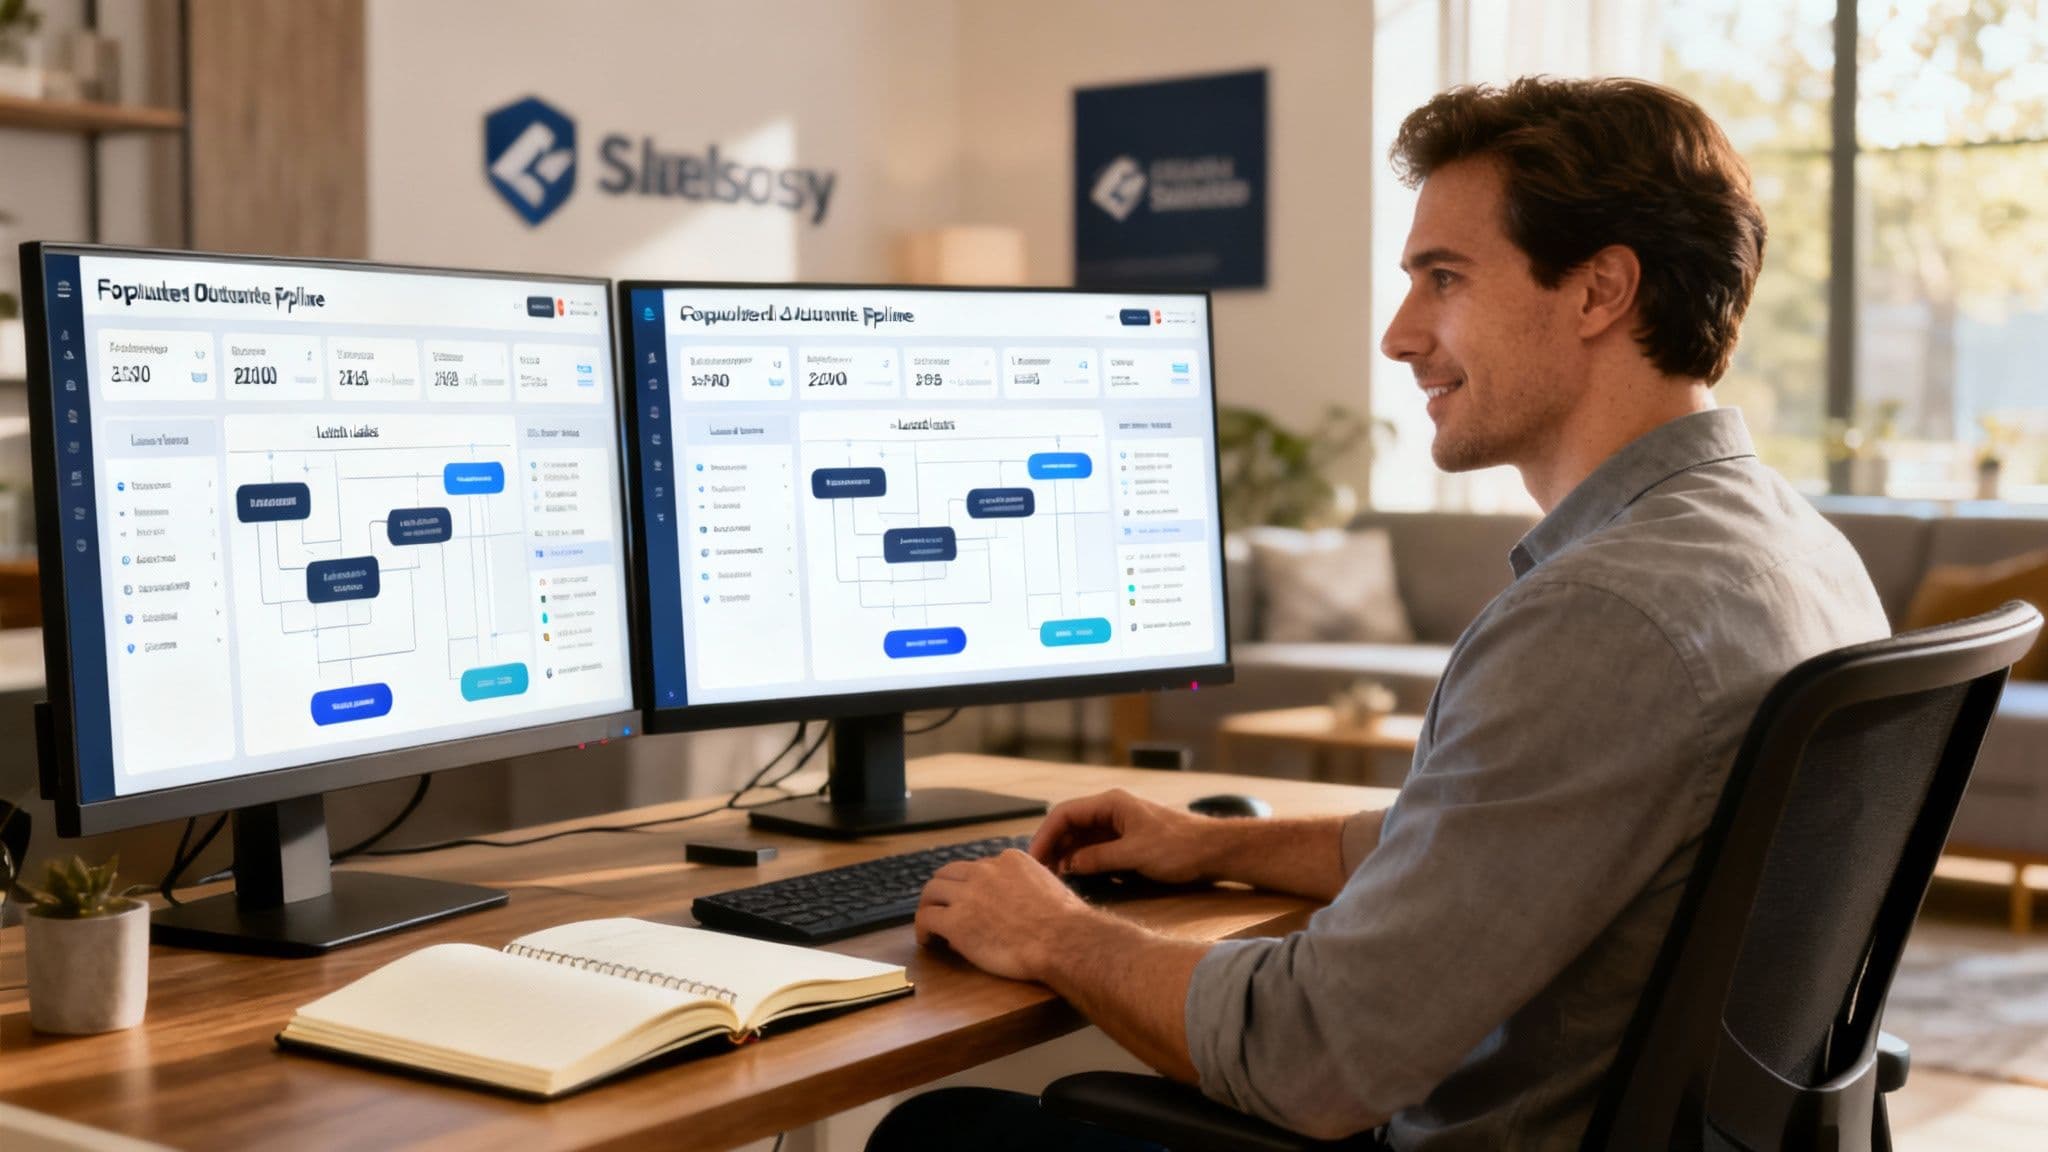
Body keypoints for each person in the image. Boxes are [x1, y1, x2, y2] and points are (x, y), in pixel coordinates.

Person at [868, 75, 1891, 1151]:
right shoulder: (1793, 546)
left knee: (938, 1133)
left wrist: (1057, 935)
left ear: (1598, 292)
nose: (1399, 336)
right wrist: (1207, 844)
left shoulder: (1607, 613)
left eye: (1441, 278)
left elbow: (1314, 1058)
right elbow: (1499, 847)